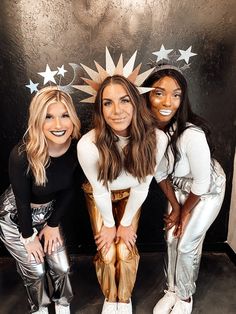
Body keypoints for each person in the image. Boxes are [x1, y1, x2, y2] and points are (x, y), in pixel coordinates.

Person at [77, 74, 168, 314]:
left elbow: (142, 186)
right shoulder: (88, 145)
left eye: (124, 100)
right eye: (108, 102)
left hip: (132, 195)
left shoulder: (157, 139)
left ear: (136, 103)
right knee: (107, 253)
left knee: (125, 250)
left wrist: (125, 223)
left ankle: (124, 298)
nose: (116, 110)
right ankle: (111, 297)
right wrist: (109, 225)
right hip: (100, 196)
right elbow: (100, 189)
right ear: (100, 108)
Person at [143, 66, 226, 314]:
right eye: (159, 93)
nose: (168, 101)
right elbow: (159, 173)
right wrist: (176, 207)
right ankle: (171, 290)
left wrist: (184, 211)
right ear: (147, 95)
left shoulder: (192, 134)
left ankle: (185, 297)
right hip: (178, 187)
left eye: (176, 94)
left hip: (207, 190)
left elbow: (201, 183)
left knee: (186, 244)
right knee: (170, 239)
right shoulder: (148, 132)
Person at [0, 86, 81, 314]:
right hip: (15, 217)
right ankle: (40, 308)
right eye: (49, 117)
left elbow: (69, 190)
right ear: (37, 120)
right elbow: (22, 202)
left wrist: (53, 224)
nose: (58, 125)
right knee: (36, 271)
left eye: (64, 115)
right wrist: (28, 237)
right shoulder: (22, 154)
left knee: (62, 268)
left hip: (48, 214)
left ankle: (63, 303)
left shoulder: (77, 148)